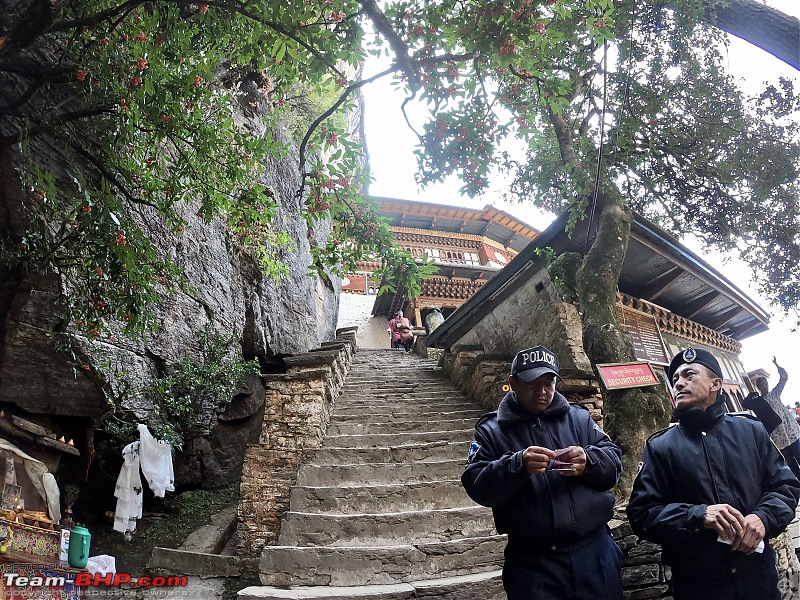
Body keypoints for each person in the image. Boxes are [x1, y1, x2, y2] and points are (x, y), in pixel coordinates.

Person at [627, 348, 800, 600]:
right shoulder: (660, 447)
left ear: (715, 384)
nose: (679, 383)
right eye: (675, 379)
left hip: (758, 579)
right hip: (699, 585)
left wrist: (763, 518)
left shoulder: (750, 431)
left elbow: (785, 486)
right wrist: (698, 515)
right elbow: (642, 514)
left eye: (689, 375)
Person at [462, 345, 623, 600]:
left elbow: (614, 462)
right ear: (513, 383)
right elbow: (476, 484)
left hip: (594, 552)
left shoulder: (579, 418)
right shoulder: (491, 430)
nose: (542, 391)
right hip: (533, 563)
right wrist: (516, 465)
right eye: (532, 383)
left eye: (549, 383)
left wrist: (588, 461)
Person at [754, 357, 800, 479]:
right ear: (758, 387)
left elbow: (784, 378)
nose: (764, 386)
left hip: (791, 433)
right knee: (791, 464)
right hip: (778, 438)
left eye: (765, 383)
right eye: (761, 385)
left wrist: (777, 365)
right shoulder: (759, 402)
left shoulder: (775, 394)